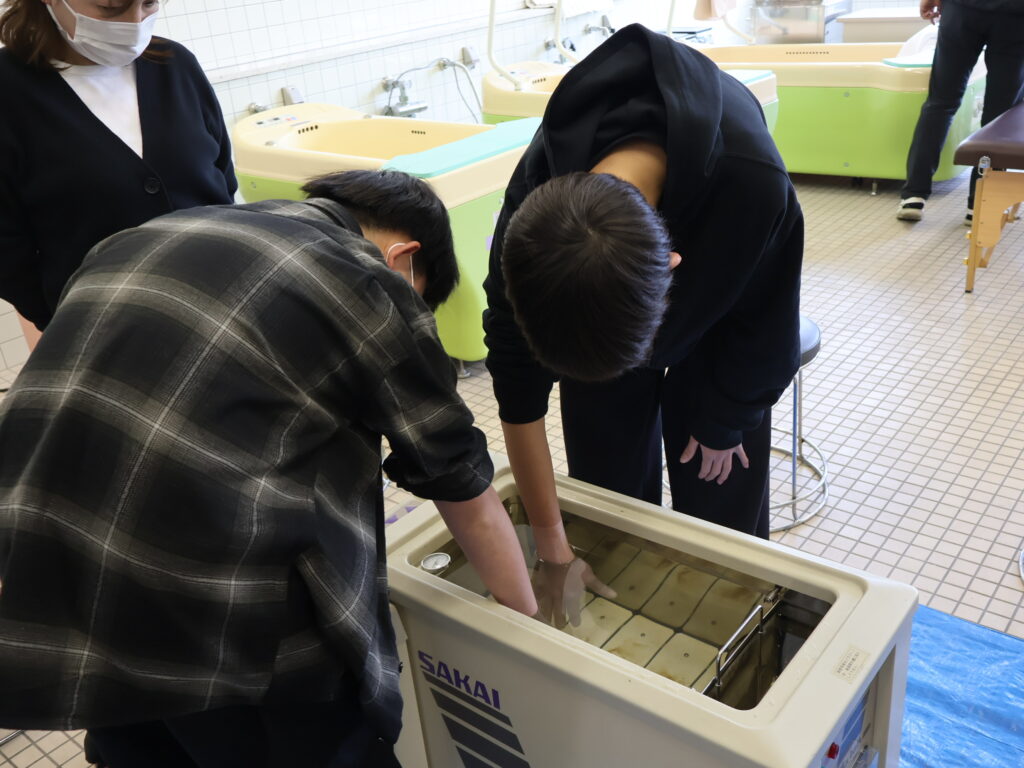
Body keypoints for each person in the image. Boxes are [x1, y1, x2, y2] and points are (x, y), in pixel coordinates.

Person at [0, 170, 538, 767]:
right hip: (215, 614)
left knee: (146, 746)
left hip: (48, 575)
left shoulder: (146, 233)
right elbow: (461, 484)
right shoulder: (368, 281)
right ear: (404, 257)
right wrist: (530, 627)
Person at [483, 24, 803, 599]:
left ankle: (733, 600)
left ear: (676, 269)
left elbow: (765, 321)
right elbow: (515, 379)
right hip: (598, 304)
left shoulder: (753, 184)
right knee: (608, 494)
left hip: (721, 324)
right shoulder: (532, 210)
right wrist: (552, 541)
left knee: (720, 482)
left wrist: (727, 417)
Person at [0, 0, 237, 336]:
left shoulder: (177, 64)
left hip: (223, 306)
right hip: (106, 332)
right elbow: (7, 251)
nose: (135, 23)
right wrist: (65, 319)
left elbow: (223, 180)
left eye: (149, 3)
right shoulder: (9, 93)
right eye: (110, 7)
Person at [897, 0, 1024, 223]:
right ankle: (980, 205)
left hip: (962, 10)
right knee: (998, 116)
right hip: (1015, 17)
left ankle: (914, 195)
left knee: (940, 103)